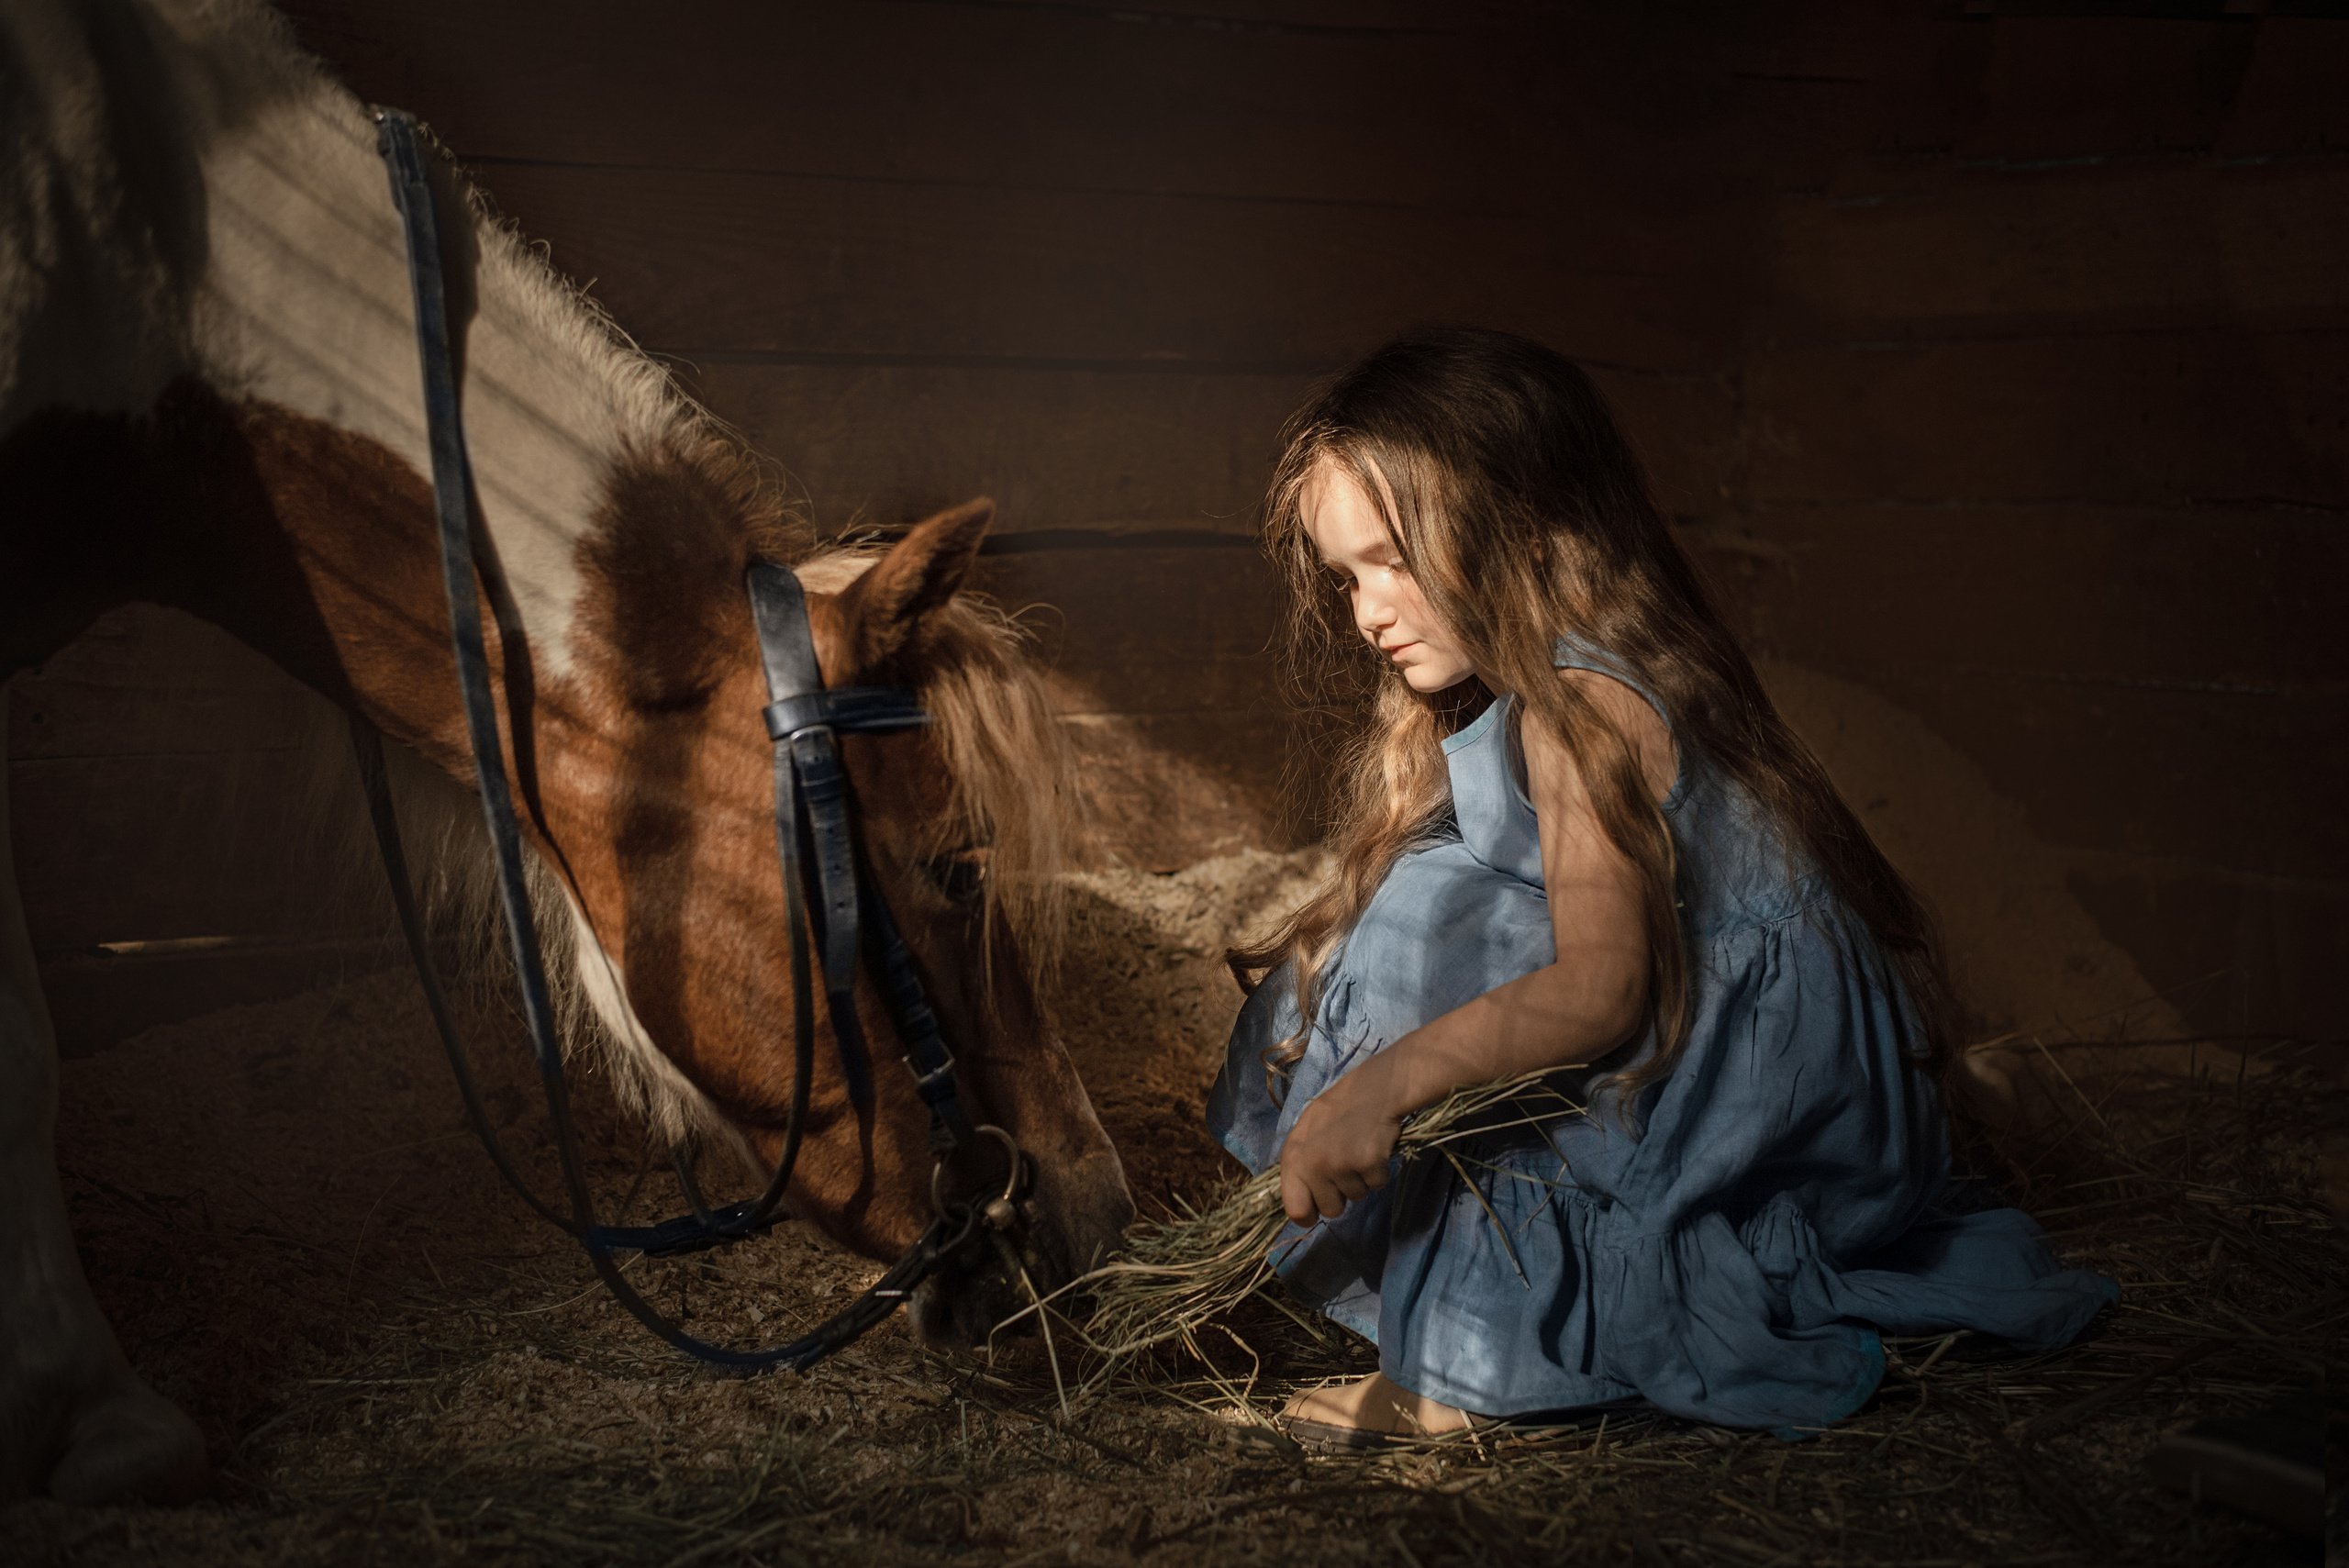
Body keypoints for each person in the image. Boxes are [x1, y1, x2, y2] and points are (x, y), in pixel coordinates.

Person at [1206, 328, 2117, 1448]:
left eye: (1393, 558)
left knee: (1417, 948)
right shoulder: (1595, 662)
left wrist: (1374, 1091)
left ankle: (1482, 1365)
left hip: (1762, 1106)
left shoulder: (1578, 709)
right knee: (1423, 907)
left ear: (1526, 519)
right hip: (1787, 1075)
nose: (1366, 612)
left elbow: (1601, 990)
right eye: (1346, 576)